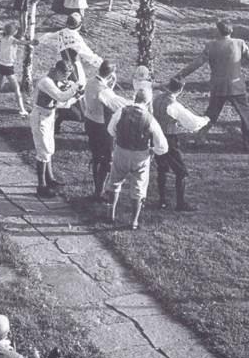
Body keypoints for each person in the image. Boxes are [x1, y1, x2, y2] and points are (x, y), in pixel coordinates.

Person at [173, 19, 249, 152]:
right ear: (230, 31)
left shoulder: (211, 46)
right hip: (236, 87)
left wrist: (180, 75)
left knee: (211, 114)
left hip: (218, 87)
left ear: (219, 31)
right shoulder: (239, 43)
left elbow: (196, 64)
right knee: (245, 116)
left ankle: (200, 138)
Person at [106, 89, 169, 230]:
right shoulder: (150, 119)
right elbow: (163, 146)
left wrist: (120, 137)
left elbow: (110, 129)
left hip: (121, 150)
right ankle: (134, 221)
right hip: (140, 155)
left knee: (115, 182)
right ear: (148, 101)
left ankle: (111, 215)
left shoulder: (121, 111)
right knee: (139, 188)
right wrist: (153, 150)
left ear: (135, 98)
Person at [80, 60, 130, 200]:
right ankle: (99, 191)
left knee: (96, 156)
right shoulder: (104, 90)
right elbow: (116, 103)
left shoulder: (90, 82)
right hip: (101, 126)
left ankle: (98, 187)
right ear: (111, 73)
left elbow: (105, 96)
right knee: (106, 159)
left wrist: (110, 84)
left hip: (89, 121)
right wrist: (134, 103)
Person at [30, 60, 81, 197]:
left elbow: (61, 103)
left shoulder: (55, 82)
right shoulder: (46, 82)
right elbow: (61, 96)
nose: (65, 79)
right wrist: (74, 87)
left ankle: (50, 179)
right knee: (43, 150)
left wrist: (77, 97)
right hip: (40, 116)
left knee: (50, 148)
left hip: (49, 116)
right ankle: (41, 186)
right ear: (57, 71)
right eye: (64, 75)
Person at [152, 78, 195, 212]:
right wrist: (204, 121)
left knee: (162, 168)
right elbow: (190, 122)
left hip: (156, 135)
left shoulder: (157, 99)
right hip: (169, 138)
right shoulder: (174, 105)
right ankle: (180, 203)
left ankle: (162, 200)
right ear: (180, 89)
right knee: (181, 172)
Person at [37, 13, 102, 91]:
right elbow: (87, 53)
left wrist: (38, 40)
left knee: (67, 85)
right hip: (74, 66)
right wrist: (101, 64)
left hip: (64, 66)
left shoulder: (62, 32)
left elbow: (48, 36)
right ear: (79, 25)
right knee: (79, 86)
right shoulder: (76, 38)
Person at [0, 21, 33, 114]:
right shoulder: (12, 40)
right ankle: (22, 109)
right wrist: (31, 42)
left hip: (0, 65)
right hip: (8, 67)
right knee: (16, 88)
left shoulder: (2, 36)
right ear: (14, 32)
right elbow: (23, 42)